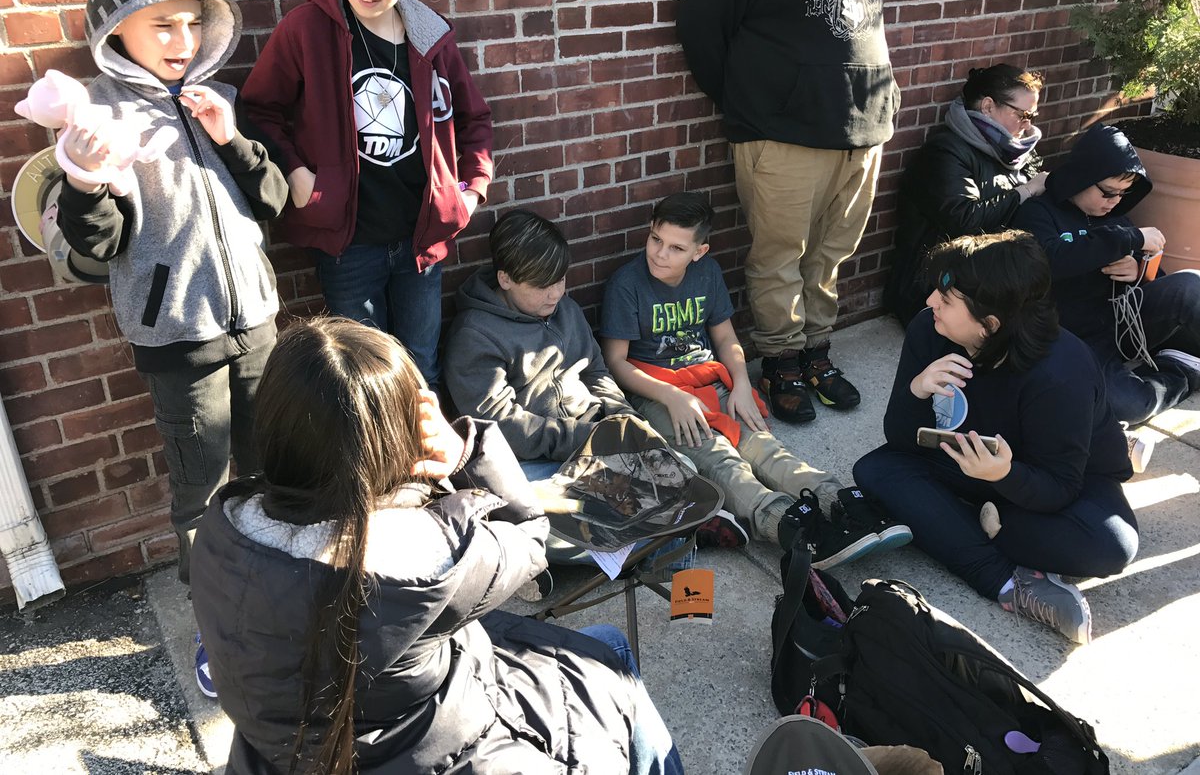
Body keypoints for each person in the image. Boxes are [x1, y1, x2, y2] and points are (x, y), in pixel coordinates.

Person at [190, 318, 684, 775]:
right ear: (397, 438)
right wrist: (467, 451)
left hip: (294, 754)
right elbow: (529, 536)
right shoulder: (425, 557)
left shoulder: (223, 533)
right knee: (611, 654)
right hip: (446, 748)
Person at [54, 0, 288, 694]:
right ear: (115, 27)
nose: (181, 40)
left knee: (272, 476)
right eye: (162, 24)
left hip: (255, 327)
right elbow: (95, 249)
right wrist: (85, 180)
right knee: (204, 495)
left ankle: (278, 609)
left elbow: (272, 202)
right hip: (178, 341)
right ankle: (220, 632)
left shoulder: (218, 100)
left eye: (192, 22)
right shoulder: (97, 116)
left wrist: (232, 139)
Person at [242, 0, 493, 386]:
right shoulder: (306, 30)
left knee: (420, 366)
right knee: (363, 378)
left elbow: (474, 120)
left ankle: (424, 442)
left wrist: (470, 192)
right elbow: (256, 109)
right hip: (348, 243)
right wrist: (296, 173)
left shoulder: (429, 37)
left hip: (421, 237)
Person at [677, 0, 900, 425]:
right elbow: (700, 23)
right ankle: (780, 361)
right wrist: (751, 101)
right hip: (783, 133)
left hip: (864, 124)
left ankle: (815, 351)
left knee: (832, 253)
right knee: (780, 257)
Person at [854, 231, 1139, 644]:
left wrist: (1004, 475)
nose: (931, 302)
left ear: (989, 324)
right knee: (875, 470)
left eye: (946, 300)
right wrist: (916, 390)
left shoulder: (1061, 372)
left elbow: (1060, 485)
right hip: (969, 463)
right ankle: (1004, 580)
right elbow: (900, 440)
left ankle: (956, 526)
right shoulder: (929, 330)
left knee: (1111, 545)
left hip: (1049, 477)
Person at [599, 193, 911, 566]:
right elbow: (616, 362)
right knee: (719, 458)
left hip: (708, 379)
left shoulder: (707, 273)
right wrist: (670, 396)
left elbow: (725, 338)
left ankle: (840, 502)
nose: (660, 254)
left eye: (676, 248)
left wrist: (742, 385)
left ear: (699, 251)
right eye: (655, 239)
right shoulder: (627, 283)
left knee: (764, 447)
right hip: (656, 391)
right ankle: (787, 525)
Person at [444, 211, 716, 565]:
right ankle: (665, 538)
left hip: (593, 439)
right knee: (540, 523)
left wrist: (624, 419)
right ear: (505, 279)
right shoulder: (473, 336)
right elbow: (501, 427)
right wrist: (590, 439)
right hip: (535, 462)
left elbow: (597, 372)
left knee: (681, 473)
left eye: (560, 280)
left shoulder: (565, 310)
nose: (555, 293)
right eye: (542, 286)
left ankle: (657, 543)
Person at [1012, 123, 1200, 425]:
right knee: (1128, 406)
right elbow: (1049, 261)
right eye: (1109, 192)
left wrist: (1138, 270)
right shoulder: (1037, 213)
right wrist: (1129, 238)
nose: (1115, 201)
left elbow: (1160, 277)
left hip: (1124, 321)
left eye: (1124, 194)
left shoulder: (1116, 217)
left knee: (1191, 284)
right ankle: (1181, 369)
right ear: (1082, 177)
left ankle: (1180, 350)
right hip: (1077, 337)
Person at [885, 64, 1047, 324]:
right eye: (1023, 114)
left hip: (997, 272)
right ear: (988, 106)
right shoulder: (945, 152)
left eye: (1033, 115)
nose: (1028, 124)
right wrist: (1025, 192)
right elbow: (963, 220)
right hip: (940, 286)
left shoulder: (1017, 150)